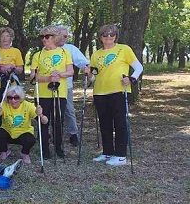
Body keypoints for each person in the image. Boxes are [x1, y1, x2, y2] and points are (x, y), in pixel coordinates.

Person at [86, 24, 143, 166]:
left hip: (118, 91)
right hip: (99, 92)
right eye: (105, 35)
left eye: (112, 35)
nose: (109, 37)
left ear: (116, 36)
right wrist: (88, 74)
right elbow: (93, 77)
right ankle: (107, 152)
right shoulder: (96, 54)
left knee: (120, 123)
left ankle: (120, 156)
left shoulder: (124, 49)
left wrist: (131, 78)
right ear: (100, 37)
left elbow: (139, 67)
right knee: (104, 124)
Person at [30, 25, 74, 159]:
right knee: (43, 121)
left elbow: (71, 71)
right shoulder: (37, 55)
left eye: (47, 36)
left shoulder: (64, 52)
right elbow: (33, 77)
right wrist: (47, 78)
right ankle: (45, 149)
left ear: (55, 38)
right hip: (42, 93)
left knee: (57, 121)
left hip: (60, 92)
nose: (44, 39)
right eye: (42, 37)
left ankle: (59, 147)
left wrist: (60, 74)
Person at [0, 85, 48, 164]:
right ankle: (4, 151)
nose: (13, 100)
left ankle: (25, 153)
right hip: (8, 132)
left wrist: (41, 115)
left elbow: (45, 122)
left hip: (23, 133)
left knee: (30, 139)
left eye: (16, 97)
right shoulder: (3, 105)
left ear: (21, 98)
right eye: (10, 97)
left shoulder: (28, 106)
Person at [55, 25, 90, 146]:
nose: (65, 38)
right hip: (47, 85)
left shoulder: (70, 48)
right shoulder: (47, 47)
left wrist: (87, 68)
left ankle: (73, 134)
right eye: (63, 36)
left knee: (68, 110)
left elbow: (83, 62)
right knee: (50, 110)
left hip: (66, 85)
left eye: (66, 36)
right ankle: (51, 134)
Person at [0, 27, 24, 110]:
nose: (4, 38)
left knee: (11, 105)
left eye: (7, 36)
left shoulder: (16, 51)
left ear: (11, 38)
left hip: (12, 83)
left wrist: (12, 67)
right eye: (2, 36)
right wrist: (0, 68)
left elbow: (20, 69)